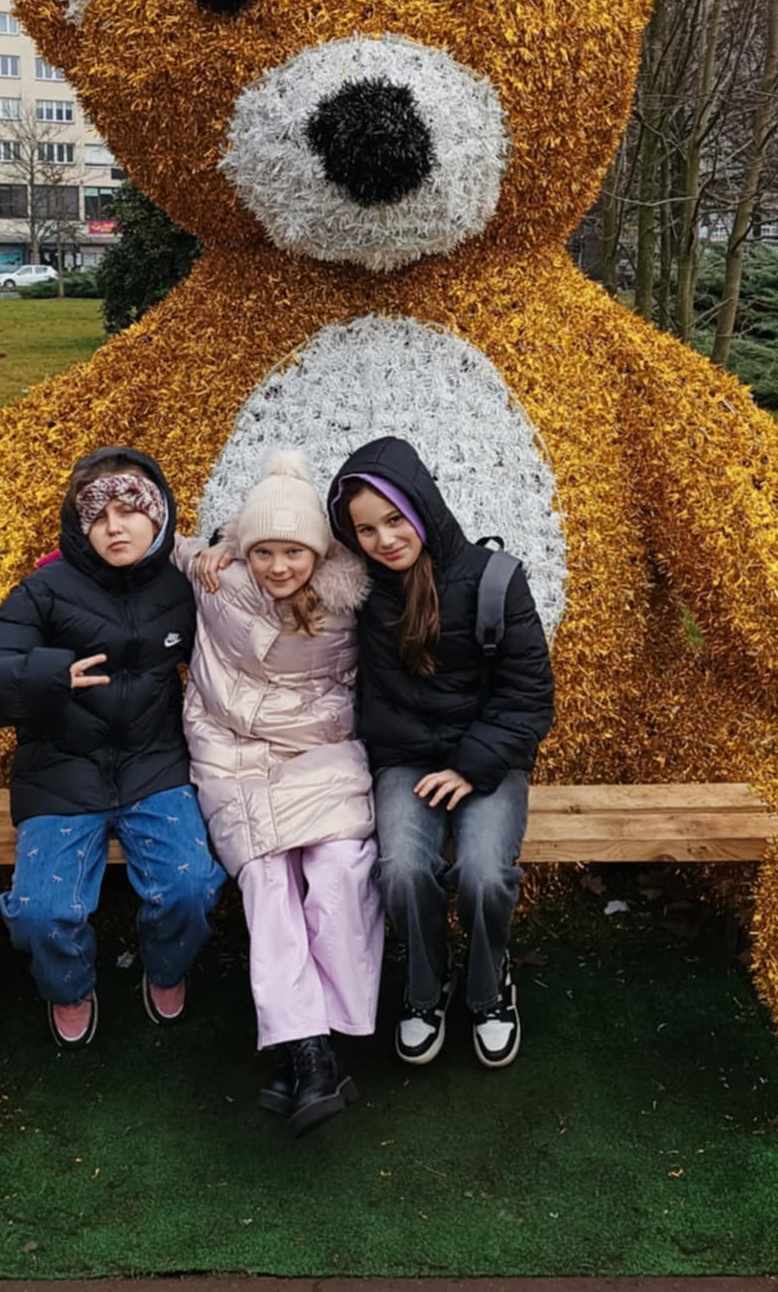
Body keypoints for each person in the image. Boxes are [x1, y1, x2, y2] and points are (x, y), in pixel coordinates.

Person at [0, 447, 224, 1049]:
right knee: (40, 911)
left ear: (158, 516)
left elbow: (252, 614)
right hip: (60, 772)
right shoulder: (44, 589)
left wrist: (225, 548)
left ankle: (166, 968)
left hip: (155, 767)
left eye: (129, 512)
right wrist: (49, 675)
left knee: (191, 889)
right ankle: (70, 986)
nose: (114, 528)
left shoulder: (182, 587)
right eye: (98, 517)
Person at [326, 437, 554, 1071]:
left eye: (394, 519)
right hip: (405, 761)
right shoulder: (357, 588)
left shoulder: (494, 581)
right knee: (401, 870)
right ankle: (426, 987)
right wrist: (218, 551)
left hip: (486, 760)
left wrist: (471, 766)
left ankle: (488, 988)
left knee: (483, 874)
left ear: (423, 505)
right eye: (365, 530)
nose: (384, 540)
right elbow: (276, 557)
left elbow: (529, 694)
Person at [183, 451, 381, 1135]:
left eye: (293, 551)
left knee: (341, 867)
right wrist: (216, 545)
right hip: (233, 753)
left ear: (317, 552)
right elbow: (166, 545)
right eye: (263, 550)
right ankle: (310, 1053)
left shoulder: (348, 600)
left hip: (320, 749)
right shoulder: (221, 580)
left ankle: (326, 1031)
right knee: (266, 879)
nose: (277, 566)